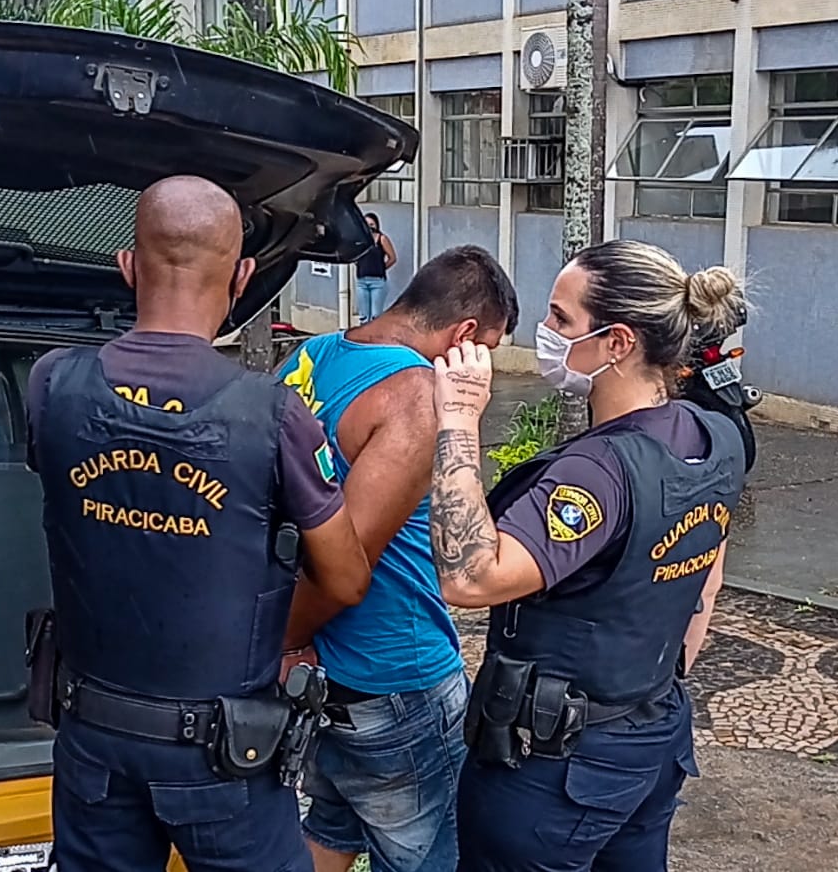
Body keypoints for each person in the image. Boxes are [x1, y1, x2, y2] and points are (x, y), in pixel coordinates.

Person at [26, 175, 372, 872]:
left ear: (129, 265)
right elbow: (345, 578)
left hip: (93, 739)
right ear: (242, 277)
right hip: (221, 758)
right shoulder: (272, 416)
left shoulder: (52, 383)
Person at [425, 239, 749, 871]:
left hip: (556, 770)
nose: (545, 332)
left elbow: (470, 578)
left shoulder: (598, 472)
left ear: (616, 343)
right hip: (652, 733)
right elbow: (707, 569)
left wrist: (458, 419)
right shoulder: (716, 434)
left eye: (561, 318)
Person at [276, 245, 519, 872]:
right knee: (436, 855)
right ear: (464, 335)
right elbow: (345, 565)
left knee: (331, 826)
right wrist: (287, 640)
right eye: (487, 348)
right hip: (394, 675)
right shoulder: (414, 394)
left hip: (320, 674)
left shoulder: (313, 355)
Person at [355, 212, 397, 325]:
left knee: (375, 315)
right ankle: (364, 334)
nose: (370, 227)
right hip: (361, 281)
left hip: (377, 282)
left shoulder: (382, 239)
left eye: (372, 224)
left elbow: (392, 258)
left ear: (377, 225)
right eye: (366, 224)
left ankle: (375, 335)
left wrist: (381, 268)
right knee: (364, 316)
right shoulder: (359, 240)